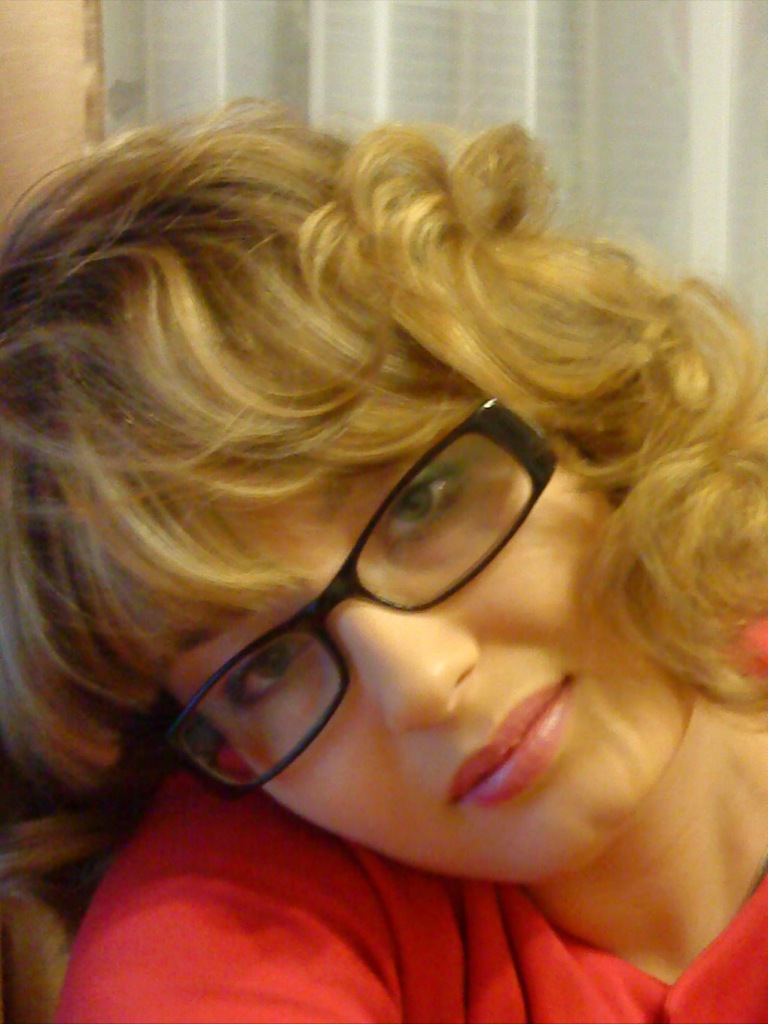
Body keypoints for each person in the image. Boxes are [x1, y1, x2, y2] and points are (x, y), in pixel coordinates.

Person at [2, 100, 768, 1024]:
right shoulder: (236, 906)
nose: (422, 684)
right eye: (266, 666)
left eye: (423, 503)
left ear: (574, 410)